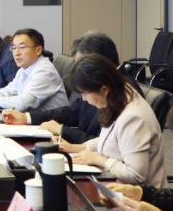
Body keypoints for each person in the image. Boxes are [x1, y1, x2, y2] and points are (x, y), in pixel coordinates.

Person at [3, 31, 141, 144]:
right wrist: (27, 117)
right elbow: (73, 111)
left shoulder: (121, 90)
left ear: (99, 61)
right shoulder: (100, 82)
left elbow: (102, 142)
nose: (77, 71)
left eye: (82, 64)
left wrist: (62, 130)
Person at [56, 54, 165, 188]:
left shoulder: (133, 118)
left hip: (140, 196)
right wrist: (78, 148)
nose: (84, 99)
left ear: (104, 89)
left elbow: (136, 176)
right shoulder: (118, 97)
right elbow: (111, 139)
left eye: (85, 93)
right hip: (115, 185)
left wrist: (99, 160)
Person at [0, 28, 68, 112]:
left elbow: (23, 104)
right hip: (34, 119)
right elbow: (10, 90)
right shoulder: (25, 68)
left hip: (51, 122)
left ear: (38, 50)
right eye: (14, 48)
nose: (16, 53)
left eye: (22, 47)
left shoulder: (45, 72)